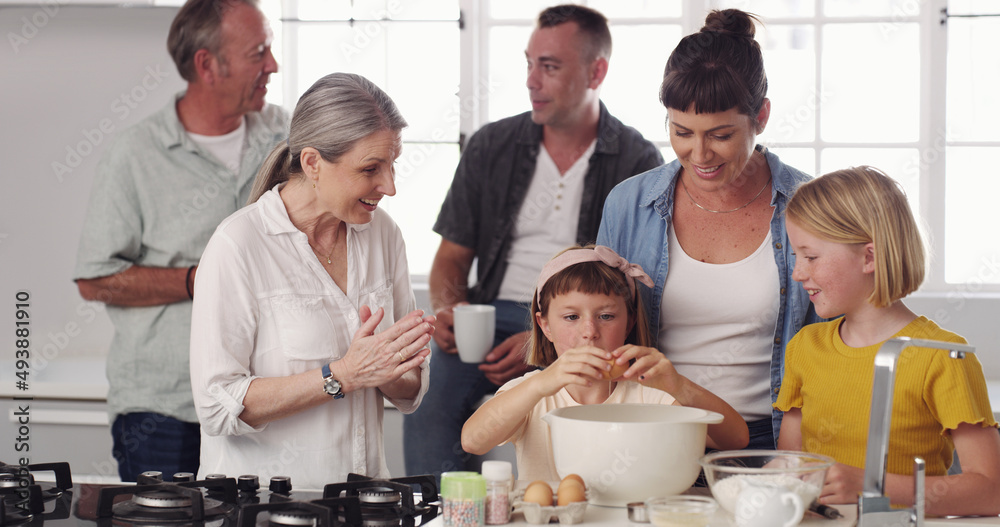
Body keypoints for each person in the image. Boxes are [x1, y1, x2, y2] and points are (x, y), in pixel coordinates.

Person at [404, 3, 663, 478]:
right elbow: (451, 261)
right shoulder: (490, 146)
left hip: (571, 319)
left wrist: (543, 338)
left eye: (549, 66)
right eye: (529, 63)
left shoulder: (635, 156)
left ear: (596, 71)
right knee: (432, 389)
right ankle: (440, 510)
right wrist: (449, 312)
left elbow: (633, 285)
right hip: (491, 316)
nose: (531, 80)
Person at [72, 0, 288, 481]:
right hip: (164, 408)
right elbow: (95, 279)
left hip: (264, 398)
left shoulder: (286, 136)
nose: (272, 65)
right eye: (259, 52)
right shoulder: (133, 154)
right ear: (207, 65)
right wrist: (202, 278)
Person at [189, 72, 433, 488]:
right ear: (313, 163)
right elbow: (217, 405)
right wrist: (342, 375)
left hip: (363, 497)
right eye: (371, 168)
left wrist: (386, 366)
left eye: (393, 164)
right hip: (266, 505)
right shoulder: (239, 244)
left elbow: (409, 392)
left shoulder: (383, 233)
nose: (389, 186)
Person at [596, 9, 822, 451]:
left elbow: (839, 336)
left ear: (762, 116)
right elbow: (601, 317)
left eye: (720, 135)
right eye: (681, 131)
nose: (699, 154)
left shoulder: (810, 205)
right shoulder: (629, 203)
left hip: (772, 441)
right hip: (652, 434)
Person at [774, 166, 1000, 516]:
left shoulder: (942, 357)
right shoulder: (805, 347)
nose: (798, 273)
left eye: (811, 257)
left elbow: (990, 491)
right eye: (796, 257)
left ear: (869, 257)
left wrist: (872, 486)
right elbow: (790, 468)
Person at [461, 245, 749, 481]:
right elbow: (473, 441)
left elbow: (735, 439)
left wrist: (679, 385)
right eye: (571, 317)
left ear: (629, 322)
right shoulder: (531, 393)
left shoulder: (650, 393)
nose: (589, 331)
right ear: (545, 325)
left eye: (606, 316)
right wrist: (540, 384)